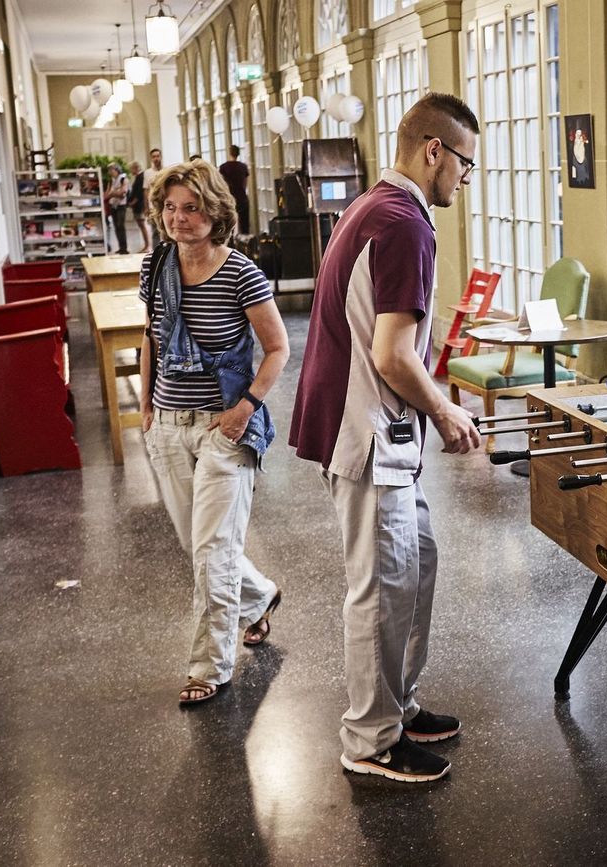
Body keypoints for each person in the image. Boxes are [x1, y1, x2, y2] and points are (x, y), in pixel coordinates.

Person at [290, 93, 481, 783]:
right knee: (379, 587)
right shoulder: (404, 223)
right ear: (434, 151)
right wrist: (445, 411)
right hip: (368, 433)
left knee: (415, 567)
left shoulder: (373, 206)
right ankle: (370, 738)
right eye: (465, 162)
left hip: (381, 433)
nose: (465, 176)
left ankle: (397, 703)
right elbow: (393, 353)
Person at [139, 159, 291, 706]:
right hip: (168, 424)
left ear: (214, 211)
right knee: (198, 546)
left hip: (223, 429)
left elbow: (278, 348)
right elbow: (153, 336)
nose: (179, 218)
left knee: (212, 552)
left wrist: (246, 408)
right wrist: (145, 404)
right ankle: (261, 596)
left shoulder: (239, 273)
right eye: (170, 208)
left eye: (191, 207)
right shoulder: (157, 266)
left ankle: (210, 665)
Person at [219, 144, 251, 236]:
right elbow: (245, 183)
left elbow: (222, 184)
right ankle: (245, 243)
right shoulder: (243, 167)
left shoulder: (223, 167)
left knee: (228, 225)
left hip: (229, 198)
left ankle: (231, 242)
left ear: (230, 153)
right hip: (242, 197)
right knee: (244, 224)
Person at [105, 162, 129, 253]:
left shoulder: (123, 179)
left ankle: (124, 248)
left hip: (121, 206)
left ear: (116, 170)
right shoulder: (111, 181)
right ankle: (120, 247)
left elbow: (123, 193)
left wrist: (113, 193)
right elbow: (107, 195)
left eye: (111, 169)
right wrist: (115, 193)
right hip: (113, 206)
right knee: (116, 227)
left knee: (121, 226)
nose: (110, 172)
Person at [127, 161, 150, 251]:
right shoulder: (138, 177)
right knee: (141, 225)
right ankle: (146, 244)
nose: (130, 171)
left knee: (142, 224)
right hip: (137, 205)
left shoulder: (140, 177)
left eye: (131, 169)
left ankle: (147, 245)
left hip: (139, 206)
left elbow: (139, 193)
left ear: (135, 168)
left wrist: (132, 202)